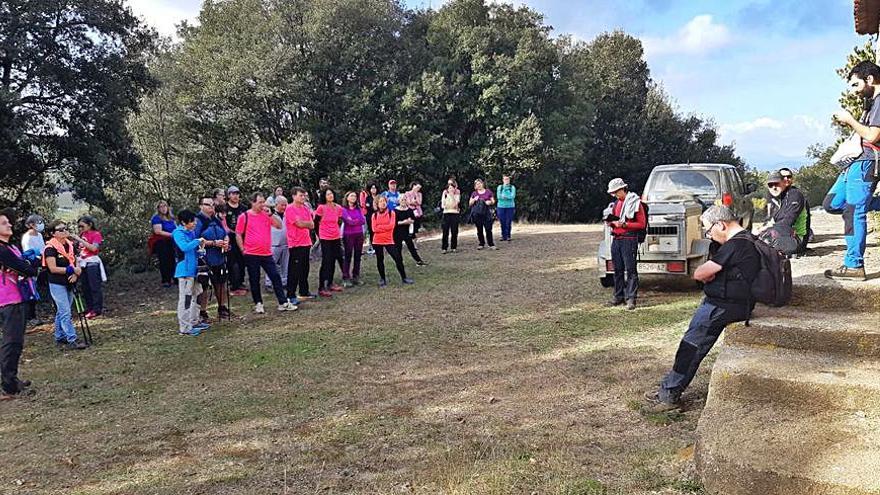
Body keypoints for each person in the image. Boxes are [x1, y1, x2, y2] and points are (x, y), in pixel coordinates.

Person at [645, 206, 760, 412]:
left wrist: (706, 273)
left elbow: (700, 273)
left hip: (721, 306)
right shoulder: (748, 240)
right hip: (735, 303)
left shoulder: (735, 245)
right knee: (692, 346)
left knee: (690, 347)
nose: (709, 236)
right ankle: (668, 387)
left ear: (721, 225)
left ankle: (669, 396)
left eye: (709, 230)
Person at [824, 60, 880, 281]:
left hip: (867, 161)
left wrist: (850, 120)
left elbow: (874, 136)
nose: (854, 92)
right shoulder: (872, 102)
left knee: (854, 209)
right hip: (853, 163)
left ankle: (854, 265)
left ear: (869, 79)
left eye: (856, 85)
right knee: (832, 203)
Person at [235, 193, 297, 313]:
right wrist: (243, 249)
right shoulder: (244, 216)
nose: (262, 205)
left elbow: (279, 226)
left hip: (266, 253)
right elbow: (238, 233)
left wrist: (270, 214)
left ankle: (283, 302)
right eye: (260, 202)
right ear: (253, 203)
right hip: (251, 253)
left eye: (263, 202)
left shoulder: (266, 215)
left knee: (275, 276)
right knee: (254, 278)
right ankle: (258, 303)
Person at [0, 208, 38, 398]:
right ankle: (8, 384)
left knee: (17, 341)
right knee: (11, 341)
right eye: (4, 223)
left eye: (8, 222)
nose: (9, 225)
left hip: (20, 296)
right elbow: (25, 268)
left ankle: (13, 379)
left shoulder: (10, 247)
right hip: (9, 299)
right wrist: (30, 265)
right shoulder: (1, 250)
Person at [42, 220, 87, 350]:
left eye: (65, 228)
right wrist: (71, 270)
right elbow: (52, 268)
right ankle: (72, 338)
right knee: (65, 311)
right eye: (60, 229)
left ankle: (59, 336)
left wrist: (76, 273)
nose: (64, 230)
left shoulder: (70, 244)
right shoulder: (50, 248)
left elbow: (75, 260)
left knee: (62, 311)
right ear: (53, 233)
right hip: (57, 283)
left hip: (70, 281)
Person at [603, 178, 647, 311]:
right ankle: (618, 297)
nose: (614, 195)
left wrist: (625, 224)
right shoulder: (616, 204)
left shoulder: (635, 203)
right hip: (616, 238)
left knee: (631, 270)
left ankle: (631, 298)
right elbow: (616, 219)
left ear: (623, 189)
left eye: (616, 192)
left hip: (629, 239)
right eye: (613, 193)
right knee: (617, 270)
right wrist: (610, 222)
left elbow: (641, 224)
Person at [195, 194, 232, 320]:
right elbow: (195, 240)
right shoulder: (198, 221)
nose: (211, 207)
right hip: (204, 259)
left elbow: (225, 233)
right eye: (207, 204)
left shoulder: (216, 220)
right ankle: (202, 312)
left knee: (221, 282)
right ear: (201, 206)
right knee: (204, 286)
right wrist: (213, 243)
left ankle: (222, 308)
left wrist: (226, 241)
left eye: (212, 204)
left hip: (219, 257)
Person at [173, 210, 210, 336]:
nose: (194, 223)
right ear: (184, 222)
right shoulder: (178, 233)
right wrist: (197, 241)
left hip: (194, 270)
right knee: (186, 298)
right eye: (192, 221)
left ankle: (194, 321)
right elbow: (184, 247)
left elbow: (192, 249)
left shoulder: (191, 232)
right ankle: (185, 328)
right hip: (184, 271)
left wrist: (200, 251)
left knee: (197, 294)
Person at [760, 170, 808, 255]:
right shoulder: (777, 198)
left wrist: (767, 229)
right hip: (780, 234)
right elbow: (769, 220)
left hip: (795, 239)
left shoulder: (795, 195)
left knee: (762, 244)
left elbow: (787, 221)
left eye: (777, 184)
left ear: (784, 183)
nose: (774, 187)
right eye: (770, 185)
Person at [371, 196, 413, 287]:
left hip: (389, 240)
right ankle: (382, 279)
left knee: (398, 258)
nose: (383, 203)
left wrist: (380, 227)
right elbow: (374, 229)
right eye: (380, 201)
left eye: (384, 201)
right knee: (380, 260)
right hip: (377, 241)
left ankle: (404, 277)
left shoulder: (391, 213)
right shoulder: (374, 215)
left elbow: (391, 226)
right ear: (377, 204)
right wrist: (384, 227)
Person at [285, 187, 316, 303]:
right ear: (293, 196)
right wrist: (305, 223)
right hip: (295, 243)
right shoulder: (290, 209)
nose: (303, 197)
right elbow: (298, 223)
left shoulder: (305, 209)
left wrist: (305, 223)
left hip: (306, 242)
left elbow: (312, 225)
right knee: (294, 270)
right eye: (300, 195)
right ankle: (291, 295)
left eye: (304, 195)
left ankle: (304, 291)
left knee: (305, 269)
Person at [71, 216, 105, 319]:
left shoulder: (96, 234)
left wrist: (79, 239)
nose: (80, 228)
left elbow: (94, 248)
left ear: (89, 225)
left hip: (92, 262)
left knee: (94, 286)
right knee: (85, 287)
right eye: (79, 227)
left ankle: (97, 309)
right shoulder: (82, 234)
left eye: (82, 226)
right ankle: (89, 307)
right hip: (82, 261)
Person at [314, 189, 344, 297]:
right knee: (326, 261)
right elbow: (315, 222)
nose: (330, 196)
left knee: (334, 259)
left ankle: (330, 283)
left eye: (331, 194)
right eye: (328, 194)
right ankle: (321, 287)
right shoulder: (321, 207)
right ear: (324, 196)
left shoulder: (338, 208)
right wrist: (320, 235)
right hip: (325, 238)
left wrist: (336, 230)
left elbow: (339, 221)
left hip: (335, 237)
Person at [21, 214, 46, 324]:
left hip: (42, 263)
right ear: (31, 224)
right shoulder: (27, 237)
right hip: (32, 265)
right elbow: (29, 253)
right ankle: (31, 317)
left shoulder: (39, 235)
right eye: (38, 222)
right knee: (32, 290)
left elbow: (43, 249)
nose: (40, 224)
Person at [224, 185, 249, 295]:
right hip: (230, 238)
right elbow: (223, 224)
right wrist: (235, 232)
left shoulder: (243, 208)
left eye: (237, 193)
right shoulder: (225, 208)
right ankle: (233, 283)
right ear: (228, 195)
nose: (235, 196)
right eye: (233, 193)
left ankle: (241, 281)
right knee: (232, 262)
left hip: (243, 238)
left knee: (242, 260)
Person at [341, 191, 366, 287]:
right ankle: (346, 277)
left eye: (355, 196)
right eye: (351, 196)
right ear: (347, 198)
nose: (354, 197)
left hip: (359, 234)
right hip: (348, 235)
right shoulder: (344, 210)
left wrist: (354, 221)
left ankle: (356, 276)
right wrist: (356, 221)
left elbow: (363, 220)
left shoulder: (358, 209)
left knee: (357, 256)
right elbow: (348, 221)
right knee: (348, 256)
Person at [394, 195, 427, 265]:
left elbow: (414, 220)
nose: (403, 201)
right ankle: (399, 262)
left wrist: (411, 221)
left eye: (405, 200)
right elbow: (394, 223)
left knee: (411, 247)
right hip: (397, 232)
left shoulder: (409, 210)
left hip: (407, 231)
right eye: (402, 200)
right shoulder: (395, 211)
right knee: (398, 248)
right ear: (399, 201)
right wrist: (404, 222)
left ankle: (418, 261)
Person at [150, 201, 176, 288]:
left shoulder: (171, 218)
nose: (163, 208)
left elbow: (175, 228)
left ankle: (175, 277)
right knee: (164, 260)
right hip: (161, 242)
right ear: (158, 209)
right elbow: (158, 231)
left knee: (173, 259)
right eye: (161, 207)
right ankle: (166, 280)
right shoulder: (156, 218)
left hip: (171, 242)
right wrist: (172, 235)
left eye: (165, 206)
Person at [267, 196, 289, 291]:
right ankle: (269, 283)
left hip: (286, 242)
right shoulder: (270, 214)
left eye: (285, 205)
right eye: (282, 205)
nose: (284, 207)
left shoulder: (287, 214)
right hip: (274, 243)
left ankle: (284, 282)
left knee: (285, 264)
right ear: (276, 204)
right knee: (272, 264)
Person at [469, 178, 497, 250]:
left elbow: (493, 201)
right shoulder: (474, 193)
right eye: (477, 184)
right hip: (477, 214)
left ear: (482, 184)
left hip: (487, 213)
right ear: (475, 186)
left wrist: (489, 202)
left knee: (488, 229)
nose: (479, 185)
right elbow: (470, 203)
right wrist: (474, 199)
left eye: (480, 183)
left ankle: (491, 244)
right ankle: (481, 243)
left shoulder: (488, 192)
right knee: (479, 229)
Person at [441, 179, 461, 254]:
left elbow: (456, 205)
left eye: (452, 187)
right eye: (449, 188)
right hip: (446, 213)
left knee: (454, 231)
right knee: (445, 231)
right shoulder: (445, 194)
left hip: (455, 213)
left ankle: (453, 247)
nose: (451, 189)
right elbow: (443, 205)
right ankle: (444, 248)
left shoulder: (457, 194)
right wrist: (448, 205)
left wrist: (452, 196)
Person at [496, 174, 517, 242]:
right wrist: (507, 197)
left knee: (508, 221)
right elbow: (498, 196)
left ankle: (508, 235)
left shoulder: (512, 187)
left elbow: (512, 196)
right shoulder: (500, 187)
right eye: (505, 179)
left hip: (510, 207)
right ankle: (503, 235)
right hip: (501, 206)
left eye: (508, 179)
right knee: (502, 221)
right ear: (503, 180)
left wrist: (505, 197)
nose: (506, 180)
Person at [363, 183, 379, 255]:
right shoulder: (368, 198)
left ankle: (379, 246)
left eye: (375, 188)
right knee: (372, 232)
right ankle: (373, 247)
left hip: (378, 217)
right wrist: (375, 208)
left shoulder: (379, 197)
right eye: (372, 188)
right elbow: (368, 206)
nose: (373, 189)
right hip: (370, 217)